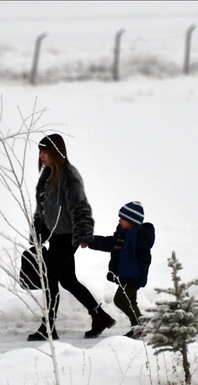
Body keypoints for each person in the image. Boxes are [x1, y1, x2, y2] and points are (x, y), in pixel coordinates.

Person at [28, 133, 116, 341]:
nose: (41, 155)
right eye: (40, 151)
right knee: (67, 280)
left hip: (68, 237)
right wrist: (38, 232)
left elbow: (80, 207)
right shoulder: (47, 175)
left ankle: (48, 327)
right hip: (56, 236)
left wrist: (83, 234)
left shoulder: (69, 175)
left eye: (45, 151)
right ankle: (99, 315)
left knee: (50, 278)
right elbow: (41, 210)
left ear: (56, 152)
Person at [85, 201, 155, 338]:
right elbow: (108, 243)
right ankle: (138, 326)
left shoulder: (140, 238)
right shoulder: (122, 234)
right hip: (126, 275)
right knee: (130, 302)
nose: (119, 220)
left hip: (134, 276)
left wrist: (138, 274)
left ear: (132, 221)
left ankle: (139, 323)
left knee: (120, 300)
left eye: (122, 218)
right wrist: (90, 241)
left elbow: (144, 259)